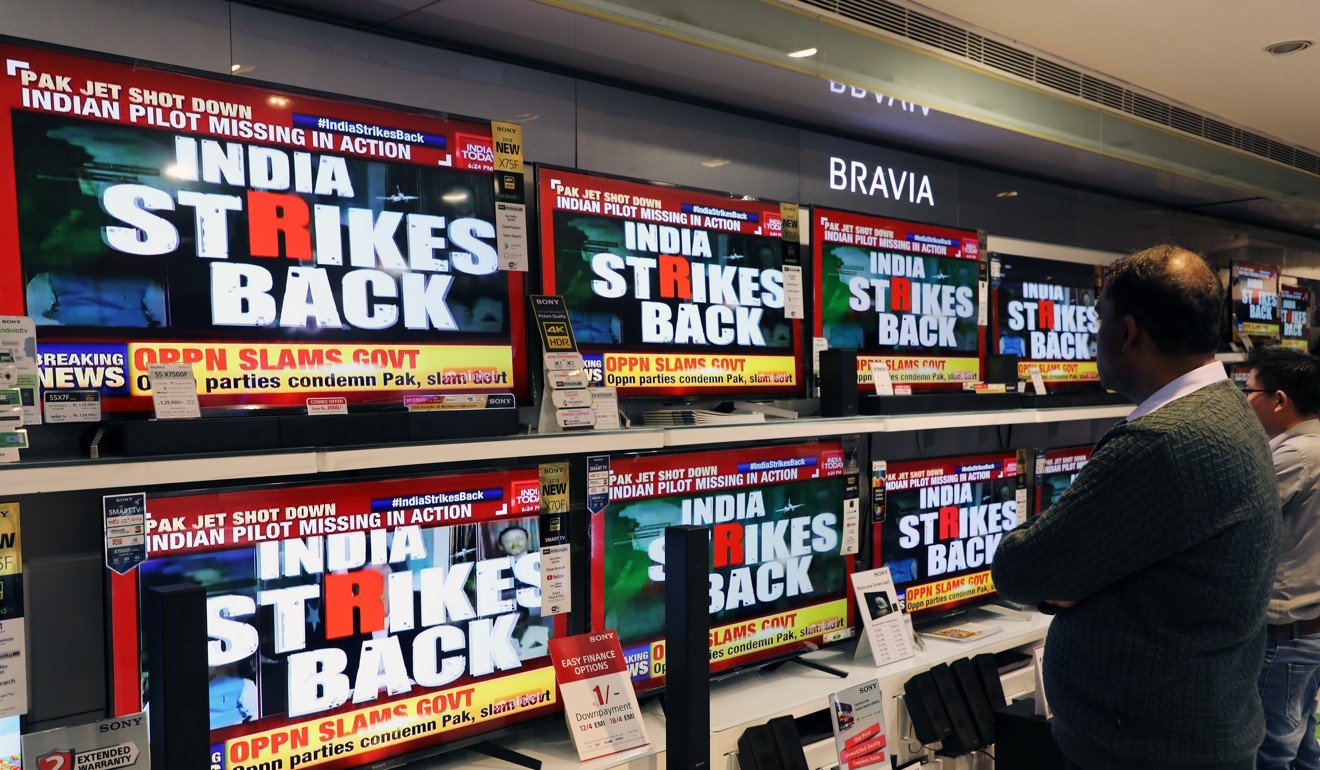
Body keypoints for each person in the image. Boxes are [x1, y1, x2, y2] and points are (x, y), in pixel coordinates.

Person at [991, 245, 1280, 770]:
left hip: (1150, 749)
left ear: (1126, 332)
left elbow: (1019, 570)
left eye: (1098, 319)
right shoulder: (1228, 406)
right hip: (1194, 731)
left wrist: (1068, 588)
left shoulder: (1162, 442)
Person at [1243, 346, 1320, 770]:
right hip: (1308, 629)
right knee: (1303, 745)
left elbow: (1230, 517)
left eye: (1248, 390)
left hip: (1286, 636)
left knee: (1271, 751)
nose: (1244, 401)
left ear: (1278, 400)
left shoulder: (1295, 456)